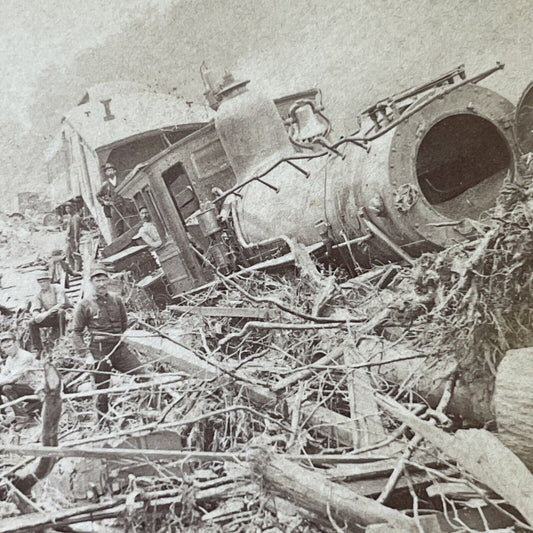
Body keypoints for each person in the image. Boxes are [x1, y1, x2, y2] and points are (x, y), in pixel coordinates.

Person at [72, 264, 144, 421]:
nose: (101, 284)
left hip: (118, 348)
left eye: (104, 279)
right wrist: (87, 355)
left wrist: (117, 339)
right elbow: (76, 333)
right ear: (91, 282)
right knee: (101, 392)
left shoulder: (117, 300)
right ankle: (101, 424)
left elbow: (124, 324)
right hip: (99, 351)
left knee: (144, 376)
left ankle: (147, 414)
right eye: (97, 280)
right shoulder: (84, 305)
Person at [0, 331, 42, 419]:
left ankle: (22, 418)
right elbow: (3, 375)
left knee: (7, 388)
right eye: (5, 347)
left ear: (16, 344)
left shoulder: (25, 356)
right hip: (24, 388)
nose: (8, 349)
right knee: (4, 386)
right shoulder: (9, 359)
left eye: (10, 346)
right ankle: (2, 415)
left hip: (36, 388)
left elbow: (12, 379)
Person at [28, 271, 70, 355]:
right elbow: (36, 308)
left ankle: (62, 339)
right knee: (32, 323)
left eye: (44, 281)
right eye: (40, 282)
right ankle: (38, 348)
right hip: (50, 315)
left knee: (60, 312)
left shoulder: (57, 288)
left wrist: (48, 312)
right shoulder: (39, 294)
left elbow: (61, 304)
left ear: (49, 281)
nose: (42, 284)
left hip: (64, 314)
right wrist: (36, 315)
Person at [64, 202, 82, 271]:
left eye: (68, 208)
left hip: (73, 238)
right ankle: (72, 269)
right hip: (69, 239)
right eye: (66, 208)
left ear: (72, 208)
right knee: (68, 254)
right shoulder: (69, 217)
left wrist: (76, 240)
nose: (67, 210)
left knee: (75, 254)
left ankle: (78, 269)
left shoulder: (75, 217)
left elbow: (76, 229)